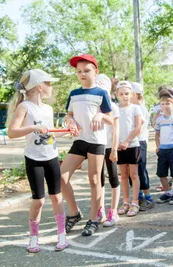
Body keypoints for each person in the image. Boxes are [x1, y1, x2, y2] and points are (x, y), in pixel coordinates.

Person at [7, 69, 68, 252]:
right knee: (38, 201)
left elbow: (50, 134)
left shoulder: (48, 109)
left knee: (57, 196)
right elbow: (11, 132)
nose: (52, 87)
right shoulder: (24, 107)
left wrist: (67, 131)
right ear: (40, 87)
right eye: (49, 84)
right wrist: (33, 127)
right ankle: (33, 238)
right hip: (33, 158)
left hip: (51, 156)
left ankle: (62, 236)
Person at [61, 54, 113, 236]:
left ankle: (94, 218)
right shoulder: (74, 94)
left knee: (94, 180)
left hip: (97, 142)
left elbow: (111, 119)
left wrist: (100, 115)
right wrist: (70, 121)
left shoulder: (101, 93)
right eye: (79, 71)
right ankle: (74, 213)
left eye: (87, 70)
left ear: (95, 72)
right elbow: (69, 115)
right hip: (80, 140)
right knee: (60, 177)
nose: (82, 74)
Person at [95, 74, 121, 227]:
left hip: (110, 146)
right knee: (99, 179)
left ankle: (113, 210)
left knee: (113, 178)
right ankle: (101, 210)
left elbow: (116, 130)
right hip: (96, 146)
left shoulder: (113, 106)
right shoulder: (93, 106)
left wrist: (114, 149)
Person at [115, 81, 142, 217]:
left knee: (134, 175)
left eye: (127, 93)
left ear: (131, 94)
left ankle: (135, 201)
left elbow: (138, 127)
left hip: (132, 145)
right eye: (121, 94)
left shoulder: (135, 108)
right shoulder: (115, 109)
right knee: (123, 175)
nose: (124, 96)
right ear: (116, 95)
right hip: (119, 147)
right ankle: (125, 201)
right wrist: (117, 143)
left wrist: (126, 141)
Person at [130, 82, 154, 211]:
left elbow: (137, 128)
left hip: (139, 142)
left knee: (140, 170)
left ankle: (148, 197)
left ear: (134, 94)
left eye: (127, 93)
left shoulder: (140, 109)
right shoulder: (132, 107)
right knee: (132, 172)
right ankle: (138, 196)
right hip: (131, 143)